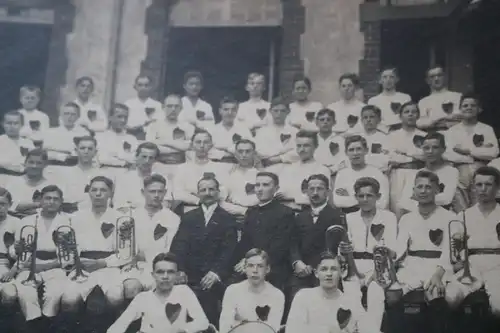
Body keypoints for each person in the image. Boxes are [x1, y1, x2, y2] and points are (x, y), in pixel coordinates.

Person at [392, 170, 457, 333]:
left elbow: (450, 251)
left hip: (437, 267)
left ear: (437, 190)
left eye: (428, 187)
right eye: (419, 187)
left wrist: (438, 274)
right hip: (411, 266)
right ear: (413, 190)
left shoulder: (450, 217)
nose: (423, 191)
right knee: (392, 295)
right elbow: (399, 249)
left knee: (436, 294)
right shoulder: (407, 218)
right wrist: (390, 257)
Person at [171, 175, 238, 327]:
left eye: (211, 189)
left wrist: (216, 272)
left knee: (208, 300)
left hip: (215, 275)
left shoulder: (227, 218)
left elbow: (229, 250)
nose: (207, 193)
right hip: (190, 273)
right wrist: (180, 270)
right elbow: (179, 245)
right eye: (203, 190)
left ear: (218, 192)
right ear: (198, 193)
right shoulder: (189, 217)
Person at [60, 176, 125, 332]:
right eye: (94, 189)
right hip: (82, 265)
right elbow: (67, 248)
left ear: (111, 193)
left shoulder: (120, 218)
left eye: (103, 190)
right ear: (88, 192)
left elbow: (126, 252)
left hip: (109, 266)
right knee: (69, 300)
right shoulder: (75, 218)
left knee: (115, 298)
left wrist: (103, 263)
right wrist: (76, 262)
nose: (98, 193)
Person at [445, 167, 500, 332]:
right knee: (450, 297)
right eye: (479, 185)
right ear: (474, 187)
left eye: (488, 185)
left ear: (497, 188)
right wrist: (458, 260)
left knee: (498, 306)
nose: (483, 189)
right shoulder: (463, 215)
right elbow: (455, 248)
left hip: (497, 266)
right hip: (471, 265)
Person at [342, 177, 398, 333]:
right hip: (353, 266)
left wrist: (377, 271)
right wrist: (343, 249)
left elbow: (392, 250)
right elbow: (346, 248)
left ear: (378, 197)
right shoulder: (349, 218)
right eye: (361, 196)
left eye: (369, 195)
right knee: (351, 297)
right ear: (356, 197)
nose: (365, 199)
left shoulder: (389, 217)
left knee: (376, 295)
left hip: (380, 266)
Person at [11, 186, 71, 329]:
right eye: (48, 198)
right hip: (29, 263)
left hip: (55, 264)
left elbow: (70, 253)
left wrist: (46, 266)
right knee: (26, 292)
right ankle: (35, 324)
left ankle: (46, 322)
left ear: (61, 202)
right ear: (40, 200)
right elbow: (15, 251)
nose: (51, 202)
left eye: (56, 199)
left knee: (55, 293)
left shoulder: (67, 221)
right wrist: (16, 250)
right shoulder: (27, 220)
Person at [107, 252, 209, 333]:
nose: (165, 277)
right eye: (160, 272)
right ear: (153, 275)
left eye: (170, 272)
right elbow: (118, 326)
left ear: (177, 275)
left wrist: (183, 330)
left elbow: (203, 322)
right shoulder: (143, 298)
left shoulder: (184, 292)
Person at [233, 172, 294, 291]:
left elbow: (280, 246)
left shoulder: (285, 213)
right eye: (257, 185)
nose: (260, 189)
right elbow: (245, 241)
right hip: (249, 265)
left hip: (273, 266)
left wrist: (253, 261)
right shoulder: (251, 212)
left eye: (265, 185)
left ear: (276, 188)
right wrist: (244, 261)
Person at [122, 174, 181, 296]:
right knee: (131, 288)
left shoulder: (173, 219)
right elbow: (125, 245)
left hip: (159, 267)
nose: (156, 195)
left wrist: (145, 255)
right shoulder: (131, 215)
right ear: (143, 192)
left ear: (165, 192)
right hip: (134, 266)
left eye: (160, 191)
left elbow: (169, 249)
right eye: (152, 191)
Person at [289, 174, 342, 298]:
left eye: (320, 189)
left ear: (327, 192)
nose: (315, 193)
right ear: (306, 191)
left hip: (324, 272)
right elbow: (293, 243)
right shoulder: (300, 216)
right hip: (301, 271)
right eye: (311, 189)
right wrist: (297, 262)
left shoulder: (336, 216)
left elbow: (333, 247)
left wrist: (313, 267)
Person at [286, 252, 363, 333]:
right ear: (316, 273)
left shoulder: (348, 303)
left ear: (341, 272)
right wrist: (328, 330)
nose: (329, 274)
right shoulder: (303, 296)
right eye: (324, 269)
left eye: (333, 269)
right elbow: (292, 329)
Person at [443, 93, 499, 205]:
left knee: (480, 205)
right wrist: (474, 156)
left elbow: (493, 152)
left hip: (481, 173)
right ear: (460, 109)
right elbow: (448, 154)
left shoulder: (486, 129)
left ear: (479, 109)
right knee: (460, 208)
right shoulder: (452, 131)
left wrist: (468, 151)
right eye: (465, 105)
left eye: (473, 105)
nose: (469, 108)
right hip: (459, 172)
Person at [220, 249, 285, 333]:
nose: (255, 271)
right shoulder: (232, 291)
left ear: (267, 269)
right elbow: (225, 327)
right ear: (244, 268)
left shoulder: (277, 295)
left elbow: (272, 329)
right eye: (250, 266)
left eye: (260, 266)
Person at [397, 132, 460, 215]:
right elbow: (404, 202)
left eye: (435, 147)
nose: (430, 151)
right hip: (419, 216)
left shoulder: (451, 172)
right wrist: (429, 200)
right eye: (426, 148)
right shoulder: (415, 174)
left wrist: (418, 198)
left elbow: (447, 199)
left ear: (443, 149)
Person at [172, 131, 231, 212]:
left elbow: (224, 192)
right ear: (192, 145)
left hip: (213, 209)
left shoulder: (219, 167)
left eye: (206, 142)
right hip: (190, 209)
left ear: (211, 145)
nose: (202, 146)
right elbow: (178, 193)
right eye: (198, 142)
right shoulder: (182, 168)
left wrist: (195, 194)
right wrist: (198, 200)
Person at [276, 131, 332, 210]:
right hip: (285, 212)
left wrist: (292, 198)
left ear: (315, 146)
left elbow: (322, 197)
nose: (301, 149)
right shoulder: (288, 168)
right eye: (299, 146)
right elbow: (279, 192)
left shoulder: (322, 169)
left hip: (308, 212)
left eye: (306, 146)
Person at [386, 101, 426, 211]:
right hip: (398, 174)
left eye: (414, 112)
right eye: (407, 112)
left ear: (418, 115)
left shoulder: (424, 136)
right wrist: (413, 156)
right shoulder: (393, 135)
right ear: (400, 116)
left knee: (414, 207)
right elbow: (391, 157)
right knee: (397, 207)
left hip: (417, 172)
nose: (410, 114)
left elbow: (425, 156)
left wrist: (404, 153)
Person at [333, 135, 389, 212]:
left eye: (359, 149)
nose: (355, 153)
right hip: (348, 216)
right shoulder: (342, 174)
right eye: (351, 150)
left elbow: (382, 203)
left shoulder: (377, 173)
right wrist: (369, 199)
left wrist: (350, 196)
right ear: (346, 153)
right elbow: (338, 202)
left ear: (366, 150)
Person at [190, 97, 253, 162]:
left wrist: (224, 148)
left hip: (238, 163)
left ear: (237, 111)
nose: (229, 113)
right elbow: (208, 151)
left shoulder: (243, 129)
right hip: (216, 164)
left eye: (233, 110)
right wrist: (228, 153)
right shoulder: (211, 130)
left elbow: (250, 149)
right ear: (220, 111)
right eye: (226, 109)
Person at [4, 149, 56, 217]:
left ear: (45, 165)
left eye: (39, 163)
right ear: (25, 163)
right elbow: (8, 206)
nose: (34, 166)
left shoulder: (50, 185)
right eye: (31, 162)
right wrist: (37, 204)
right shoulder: (14, 182)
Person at [145, 93, 194, 166]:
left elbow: (189, 147)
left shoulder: (188, 127)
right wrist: (180, 148)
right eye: (169, 106)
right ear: (163, 107)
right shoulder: (153, 126)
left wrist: (163, 141)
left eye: (176, 106)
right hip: (158, 165)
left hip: (181, 166)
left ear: (181, 108)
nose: (173, 109)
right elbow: (150, 148)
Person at [253, 97, 299, 167]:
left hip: (288, 166)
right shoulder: (262, 131)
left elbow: (297, 152)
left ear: (288, 112)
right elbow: (259, 151)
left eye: (283, 111)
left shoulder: (295, 131)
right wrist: (284, 151)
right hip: (267, 167)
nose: (279, 114)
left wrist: (279, 158)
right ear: (270, 111)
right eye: (276, 111)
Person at [220, 139, 260, 217]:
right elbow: (220, 201)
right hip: (232, 215)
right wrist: (243, 211)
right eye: (240, 151)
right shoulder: (228, 174)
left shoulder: (261, 175)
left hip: (257, 215)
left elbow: (263, 199)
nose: (244, 155)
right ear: (235, 154)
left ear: (254, 154)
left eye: (248, 151)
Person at [417, 66, 462, 131]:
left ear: (445, 77)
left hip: (455, 133)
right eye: (432, 77)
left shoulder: (457, 96)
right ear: (427, 81)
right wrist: (445, 119)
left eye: (439, 75)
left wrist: (433, 121)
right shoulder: (423, 101)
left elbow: (459, 118)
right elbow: (420, 123)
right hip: (434, 136)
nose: (436, 79)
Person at [348, 105, 391, 171]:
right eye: (365, 117)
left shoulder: (384, 138)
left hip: (377, 171)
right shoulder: (355, 138)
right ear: (361, 120)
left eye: (372, 117)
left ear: (379, 120)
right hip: (357, 170)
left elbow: (386, 159)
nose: (368, 120)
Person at [95, 103, 139, 168]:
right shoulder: (100, 137)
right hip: (106, 172)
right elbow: (103, 159)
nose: (123, 120)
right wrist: (124, 161)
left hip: (126, 173)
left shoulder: (132, 139)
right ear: (110, 118)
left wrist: (115, 155)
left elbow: (134, 159)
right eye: (119, 116)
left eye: (125, 117)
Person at [0, 111, 35, 184]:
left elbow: (32, 161)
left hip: (22, 179)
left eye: (16, 123)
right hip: (3, 177)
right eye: (9, 123)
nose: (12, 126)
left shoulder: (28, 142)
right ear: (3, 124)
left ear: (21, 125)